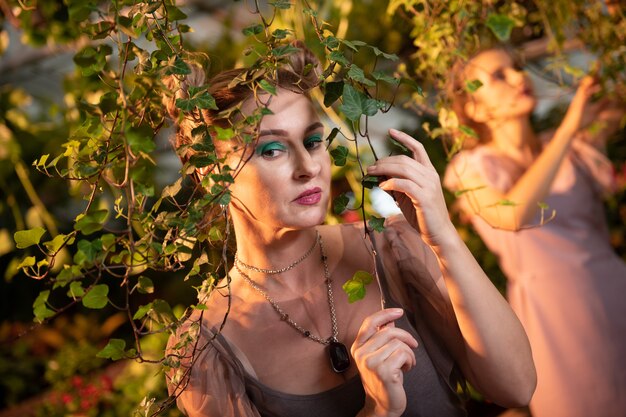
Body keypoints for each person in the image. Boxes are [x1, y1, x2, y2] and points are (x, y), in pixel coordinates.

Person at [163, 42, 536, 417]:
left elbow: (516, 387)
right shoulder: (204, 351)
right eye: (272, 149)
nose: (308, 166)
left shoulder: (393, 246)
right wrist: (376, 410)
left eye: (312, 141)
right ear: (212, 173)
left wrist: (443, 239)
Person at [443, 47, 626, 417]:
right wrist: (568, 127)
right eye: (499, 76)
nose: (518, 78)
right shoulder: (467, 170)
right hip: (550, 316)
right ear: (475, 109)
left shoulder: (575, 145)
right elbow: (511, 216)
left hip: (614, 290)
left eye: (517, 69)